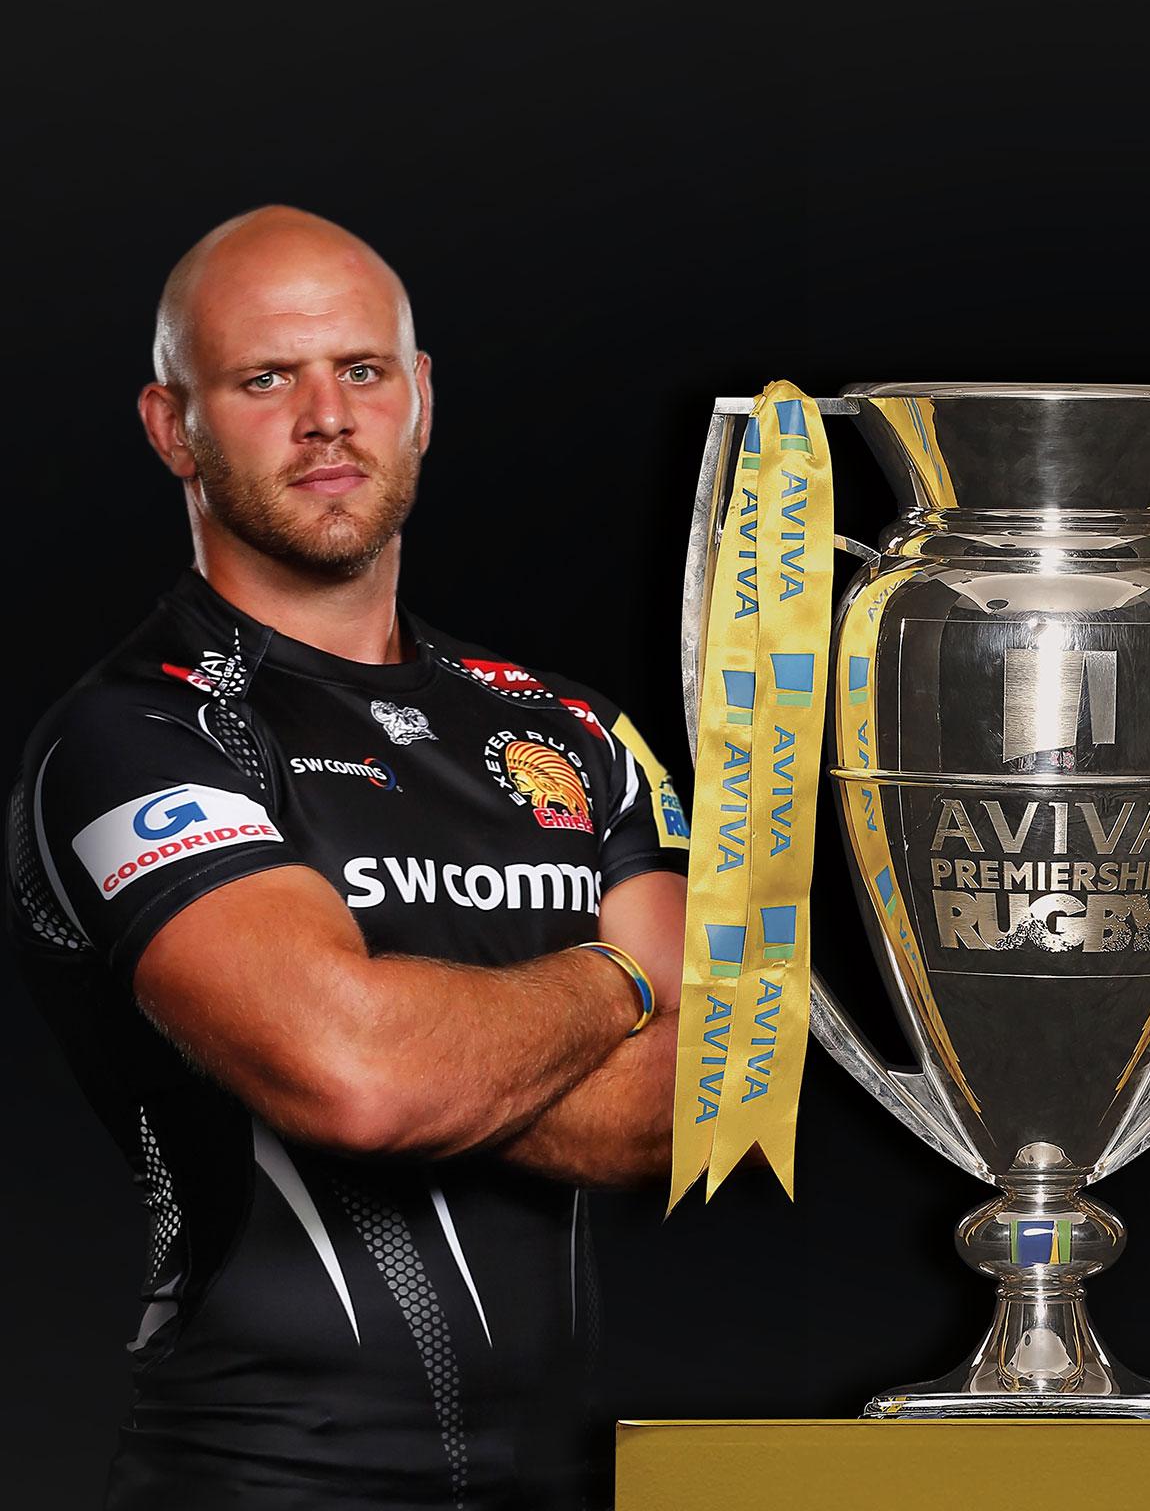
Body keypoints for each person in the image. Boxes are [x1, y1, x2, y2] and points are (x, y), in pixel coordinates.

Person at [5, 207, 691, 1508]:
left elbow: (706, 1099)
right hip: (257, 1479)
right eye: (267, 379)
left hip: (570, 1486)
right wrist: (616, 983)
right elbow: (359, 1080)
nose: (328, 416)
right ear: (172, 426)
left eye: (361, 371)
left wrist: (432, 1034)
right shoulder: (137, 734)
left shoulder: (575, 733)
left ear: (420, 398)